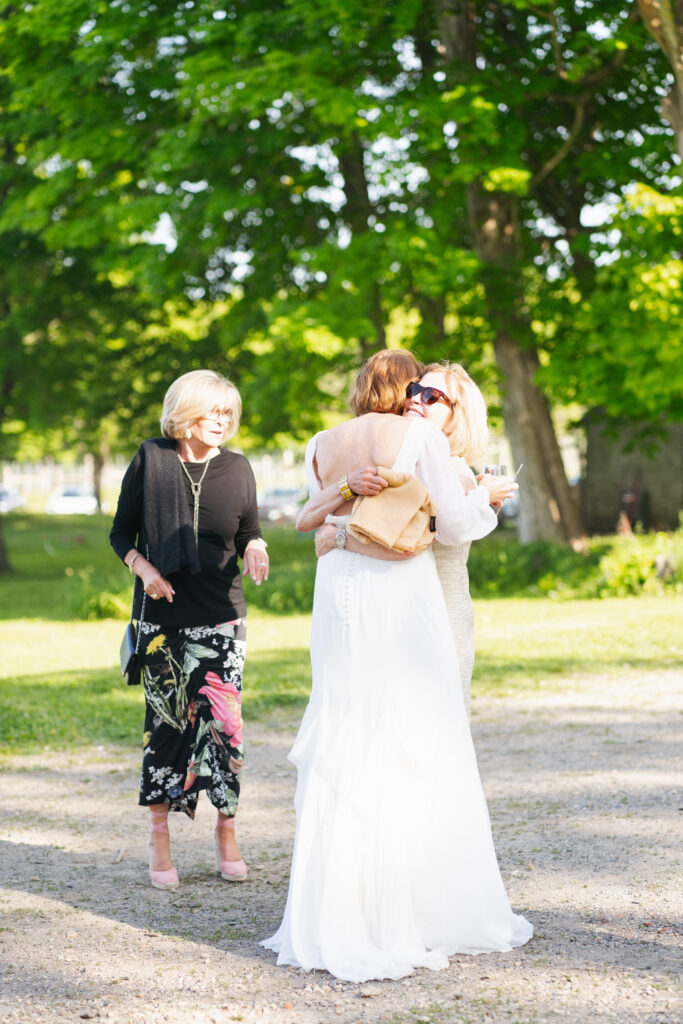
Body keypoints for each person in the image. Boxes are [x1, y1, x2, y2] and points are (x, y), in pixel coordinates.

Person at [262, 350, 532, 981]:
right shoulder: (417, 438)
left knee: (344, 726)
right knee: (416, 732)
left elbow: (326, 519)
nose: (418, 399)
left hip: (336, 588)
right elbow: (456, 522)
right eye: (415, 387)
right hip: (397, 589)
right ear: (401, 390)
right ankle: (415, 907)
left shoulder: (321, 442)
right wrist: (485, 498)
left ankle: (335, 910)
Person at [110, 369, 268, 891]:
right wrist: (144, 568)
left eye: (228, 413)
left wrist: (256, 547)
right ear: (184, 414)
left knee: (224, 727)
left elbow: (249, 529)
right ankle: (160, 834)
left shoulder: (238, 468)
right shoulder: (151, 461)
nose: (222, 421)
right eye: (212, 412)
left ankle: (227, 830)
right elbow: (119, 534)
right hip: (164, 620)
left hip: (223, 612)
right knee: (168, 727)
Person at [311, 359, 508, 719]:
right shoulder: (410, 456)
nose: (416, 399)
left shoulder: (454, 470)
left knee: (442, 719)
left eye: (432, 396)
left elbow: (435, 532)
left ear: (457, 416)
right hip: (401, 605)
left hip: (443, 610)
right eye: (414, 390)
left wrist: (482, 496)